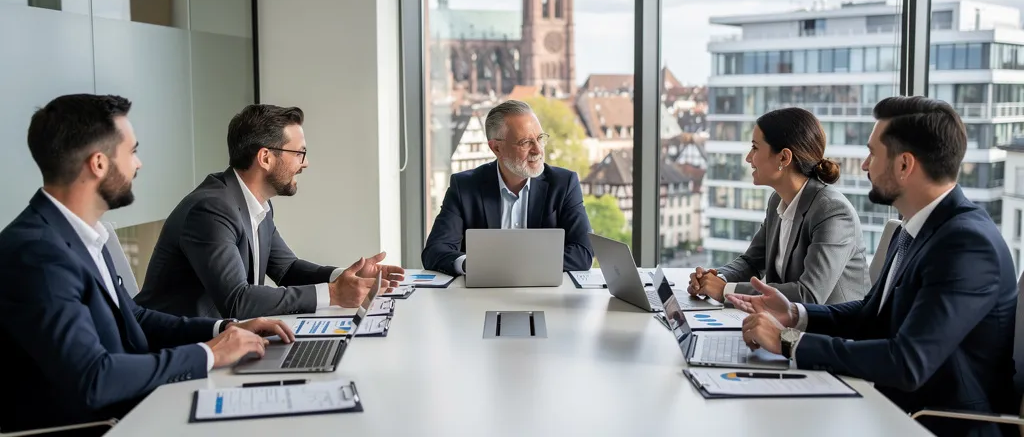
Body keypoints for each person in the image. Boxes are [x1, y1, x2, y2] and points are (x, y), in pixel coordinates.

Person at [0, 94, 294, 433]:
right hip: (108, 424)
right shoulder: (37, 254)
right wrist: (209, 354)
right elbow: (95, 378)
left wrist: (224, 329)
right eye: (132, 152)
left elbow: (134, 318)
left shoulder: (83, 235)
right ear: (98, 163)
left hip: (140, 405)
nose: (138, 164)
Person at [731, 97, 1018, 437]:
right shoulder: (915, 228)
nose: (865, 165)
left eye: (873, 153)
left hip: (931, 422)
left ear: (904, 165)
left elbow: (907, 362)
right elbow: (871, 316)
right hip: (889, 404)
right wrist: (795, 314)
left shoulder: (967, 245)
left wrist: (789, 342)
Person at [135, 104, 404, 319]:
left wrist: (345, 276)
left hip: (224, 338)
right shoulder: (211, 209)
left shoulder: (256, 203)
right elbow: (237, 301)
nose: (305, 163)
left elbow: (287, 269)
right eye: (299, 153)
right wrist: (333, 295)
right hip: (177, 349)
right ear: (265, 158)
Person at [688, 107, 870, 304]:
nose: (749, 158)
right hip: (788, 325)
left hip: (832, 330)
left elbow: (808, 295)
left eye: (755, 148)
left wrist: (726, 290)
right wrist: (714, 279)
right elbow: (752, 262)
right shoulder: (778, 200)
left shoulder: (832, 212)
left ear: (784, 157)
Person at [422, 99, 594, 275]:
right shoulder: (465, 187)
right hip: (481, 296)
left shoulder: (564, 184)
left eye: (540, 138)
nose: (538, 150)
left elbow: (583, 253)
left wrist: (512, 265)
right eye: (526, 142)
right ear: (497, 148)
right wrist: (472, 265)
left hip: (545, 295)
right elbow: (435, 252)